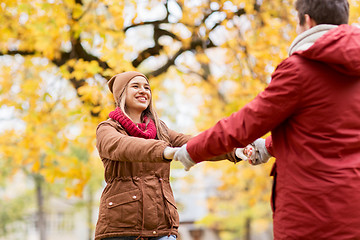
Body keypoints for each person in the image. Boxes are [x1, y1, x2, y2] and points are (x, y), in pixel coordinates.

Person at [173, 0, 360, 239]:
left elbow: (244, 124)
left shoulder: (300, 70)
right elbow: (329, 131)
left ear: (307, 21)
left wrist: (191, 150)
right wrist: (268, 146)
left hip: (313, 216)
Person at [94, 71, 241, 240]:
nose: (143, 91)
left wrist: (234, 150)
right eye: (135, 86)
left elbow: (196, 144)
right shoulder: (107, 129)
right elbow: (123, 146)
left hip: (163, 228)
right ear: (121, 94)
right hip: (121, 229)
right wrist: (165, 151)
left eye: (147, 87)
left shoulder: (160, 130)